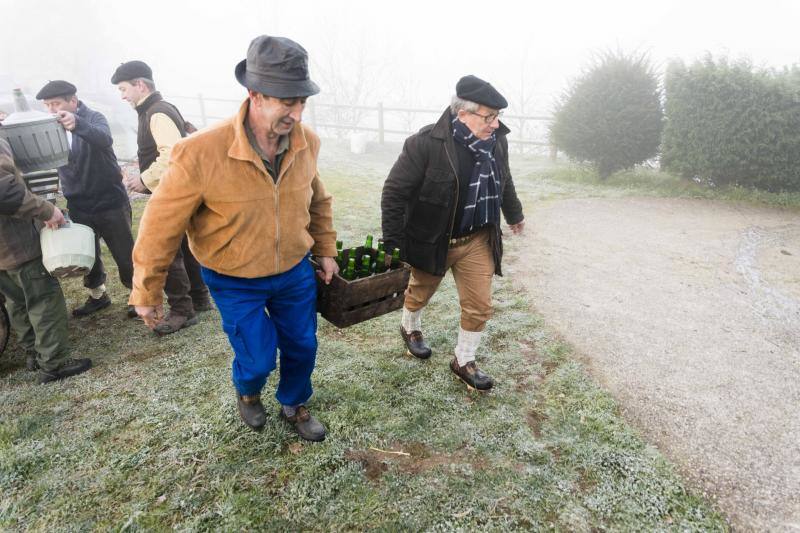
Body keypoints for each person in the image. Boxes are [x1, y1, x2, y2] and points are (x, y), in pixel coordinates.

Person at [128, 35, 338, 440]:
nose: (295, 113)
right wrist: (147, 290)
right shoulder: (200, 151)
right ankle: (248, 392)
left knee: (302, 345)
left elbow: (318, 198)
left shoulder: (306, 141)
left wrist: (325, 249)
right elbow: (160, 225)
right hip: (233, 275)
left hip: (293, 270)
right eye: (285, 101)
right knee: (257, 356)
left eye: (301, 102)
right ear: (255, 95)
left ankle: (294, 403)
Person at [381, 75, 525, 391]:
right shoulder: (425, 144)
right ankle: (410, 328)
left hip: (478, 239)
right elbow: (394, 192)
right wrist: (392, 242)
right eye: (489, 117)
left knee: (480, 304)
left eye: (498, 116)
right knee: (420, 291)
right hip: (435, 238)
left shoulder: (497, 142)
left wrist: (514, 214)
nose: (496, 124)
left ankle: (463, 359)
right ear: (463, 114)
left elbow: (505, 179)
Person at [111, 60, 212, 335]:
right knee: (185, 246)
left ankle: (182, 310)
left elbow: (171, 155)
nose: (122, 96)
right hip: (178, 191)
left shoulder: (156, 113)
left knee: (168, 253)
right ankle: (200, 298)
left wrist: (143, 179)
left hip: (172, 193)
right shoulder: (158, 109)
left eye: (123, 89)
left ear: (140, 85)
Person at [36, 80, 136, 318]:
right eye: (47, 105)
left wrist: (77, 124)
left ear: (73, 101)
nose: (52, 109)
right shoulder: (50, 128)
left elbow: (104, 139)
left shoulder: (94, 118)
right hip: (79, 204)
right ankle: (98, 296)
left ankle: (137, 296)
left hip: (110, 201)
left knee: (124, 254)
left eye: (56, 103)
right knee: (88, 255)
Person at [0, 138, 92, 383]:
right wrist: (46, 210)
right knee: (44, 301)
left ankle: (33, 353)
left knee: (17, 301)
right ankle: (55, 363)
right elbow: (5, 192)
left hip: (2, 253)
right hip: (16, 243)